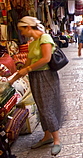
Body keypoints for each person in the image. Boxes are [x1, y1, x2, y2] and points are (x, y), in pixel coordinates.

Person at [8, 16, 62, 156]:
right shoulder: (32, 43)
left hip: (46, 76)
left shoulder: (45, 38)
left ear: (29, 27)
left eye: (22, 30)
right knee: (40, 106)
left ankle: (56, 140)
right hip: (35, 77)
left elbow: (46, 59)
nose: (22, 33)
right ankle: (47, 136)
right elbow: (26, 65)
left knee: (47, 107)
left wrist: (28, 69)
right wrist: (13, 79)